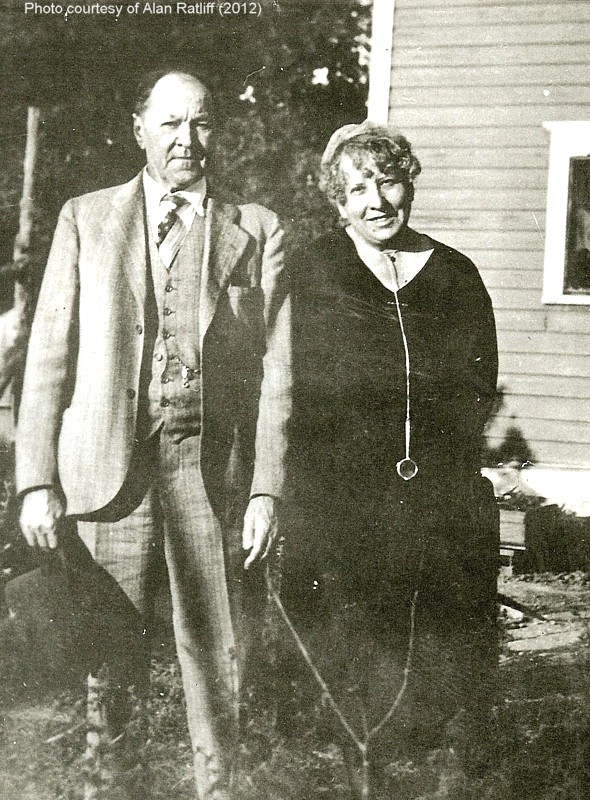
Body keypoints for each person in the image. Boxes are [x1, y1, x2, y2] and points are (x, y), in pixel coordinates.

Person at [16, 66, 291, 800]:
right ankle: (109, 789)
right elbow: (48, 356)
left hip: (211, 479)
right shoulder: (85, 218)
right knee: (110, 668)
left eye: (200, 123)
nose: (186, 140)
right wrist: (37, 480)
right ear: (138, 128)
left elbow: (277, 377)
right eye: (169, 123)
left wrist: (266, 489)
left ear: (217, 132)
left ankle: (219, 791)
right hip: (108, 479)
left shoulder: (256, 230)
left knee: (217, 663)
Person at [283, 121, 499, 787]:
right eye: (358, 188)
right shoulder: (312, 270)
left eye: (388, 180)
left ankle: (436, 771)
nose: (377, 200)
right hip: (341, 497)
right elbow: (283, 382)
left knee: (438, 645)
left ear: (410, 181)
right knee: (353, 652)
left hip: (436, 494)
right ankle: (354, 770)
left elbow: (479, 383)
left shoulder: (456, 274)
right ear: (337, 202)